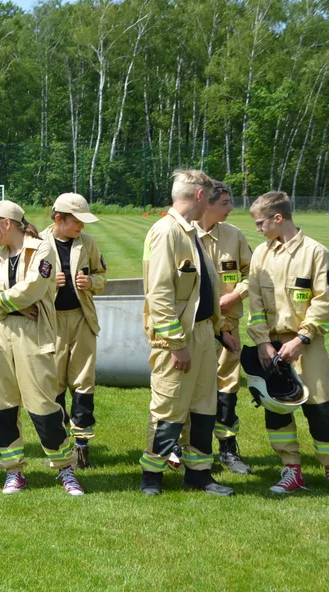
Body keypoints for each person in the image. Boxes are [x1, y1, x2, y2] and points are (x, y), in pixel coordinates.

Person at [0, 200, 85, 496]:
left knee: (43, 407)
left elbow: (34, 288)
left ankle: (65, 468)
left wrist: (0, 302)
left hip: (33, 337)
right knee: (2, 408)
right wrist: (15, 307)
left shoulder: (42, 249)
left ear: (6, 223)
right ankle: (14, 472)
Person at [139, 169, 238, 497]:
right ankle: (151, 476)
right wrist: (175, 343)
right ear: (198, 195)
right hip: (179, 340)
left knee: (203, 407)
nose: (211, 203)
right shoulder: (166, 232)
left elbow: (204, 289)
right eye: (209, 197)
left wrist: (221, 329)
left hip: (202, 336)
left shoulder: (190, 232)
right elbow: (160, 294)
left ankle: (199, 473)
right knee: (168, 407)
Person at [245, 191, 329, 494]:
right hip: (271, 347)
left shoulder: (316, 252)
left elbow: (323, 303)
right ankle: (292, 471)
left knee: (321, 411)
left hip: (308, 345)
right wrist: (263, 343)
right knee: (277, 412)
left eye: (260, 223)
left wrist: (302, 338)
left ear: (278, 218)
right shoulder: (260, 255)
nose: (257, 229)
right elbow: (255, 306)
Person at [40, 193, 106, 469]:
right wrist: (46, 284)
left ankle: (81, 446)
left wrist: (90, 281)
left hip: (81, 320)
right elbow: (24, 284)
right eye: (77, 221)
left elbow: (103, 277)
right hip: (50, 322)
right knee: (52, 383)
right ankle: (57, 446)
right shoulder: (38, 245)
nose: (82, 226)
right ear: (59, 218)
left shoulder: (88, 244)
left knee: (83, 381)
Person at [194, 181, 253, 475]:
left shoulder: (235, 235)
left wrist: (236, 294)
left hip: (228, 326)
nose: (231, 209)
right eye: (226, 203)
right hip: (196, 328)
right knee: (193, 388)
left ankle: (228, 449)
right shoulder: (184, 235)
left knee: (227, 388)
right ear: (208, 204)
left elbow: (251, 273)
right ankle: (192, 448)